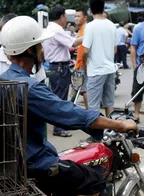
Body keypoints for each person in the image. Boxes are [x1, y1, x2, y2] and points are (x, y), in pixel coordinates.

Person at [0, 16, 138, 196]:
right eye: (39, 46)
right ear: (30, 50)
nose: (43, 50)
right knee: (94, 179)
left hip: (9, 159)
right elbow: (70, 114)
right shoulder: (29, 87)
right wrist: (118, 123)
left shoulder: (1, 81)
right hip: (32, 162)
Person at [42, 6, 83, 137]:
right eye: (65, 16)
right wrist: (88, 34)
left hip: (55, 67)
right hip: (59, 68)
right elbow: (74, 43)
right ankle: (58, 128)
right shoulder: (56, 29)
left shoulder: (49, 28)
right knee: (60, 99)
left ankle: (58, 124)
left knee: (57, 97)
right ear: (61, 17)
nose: (67, 19)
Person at [82, 0, 117, 115]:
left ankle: (97, 132)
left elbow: (85, 51)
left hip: (96, 70)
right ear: (103, 8)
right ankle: (111, 130)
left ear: (90, 10)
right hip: (110, 69)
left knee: (93, 106)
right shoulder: (112, 25)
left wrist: (84, 66)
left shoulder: (90, 26)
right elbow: (115, 49)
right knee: (109, 103)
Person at [73, 7, 89, 109]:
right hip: (80, 64)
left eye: (78, 16)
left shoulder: (86, 28)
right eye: (75, 16)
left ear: (85, 17)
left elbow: (86, 50)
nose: (76, 19)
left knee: (85, 90)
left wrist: (83, 64)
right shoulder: (81, 30)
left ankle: (89, 113)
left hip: (84, 64)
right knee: (82, 90)